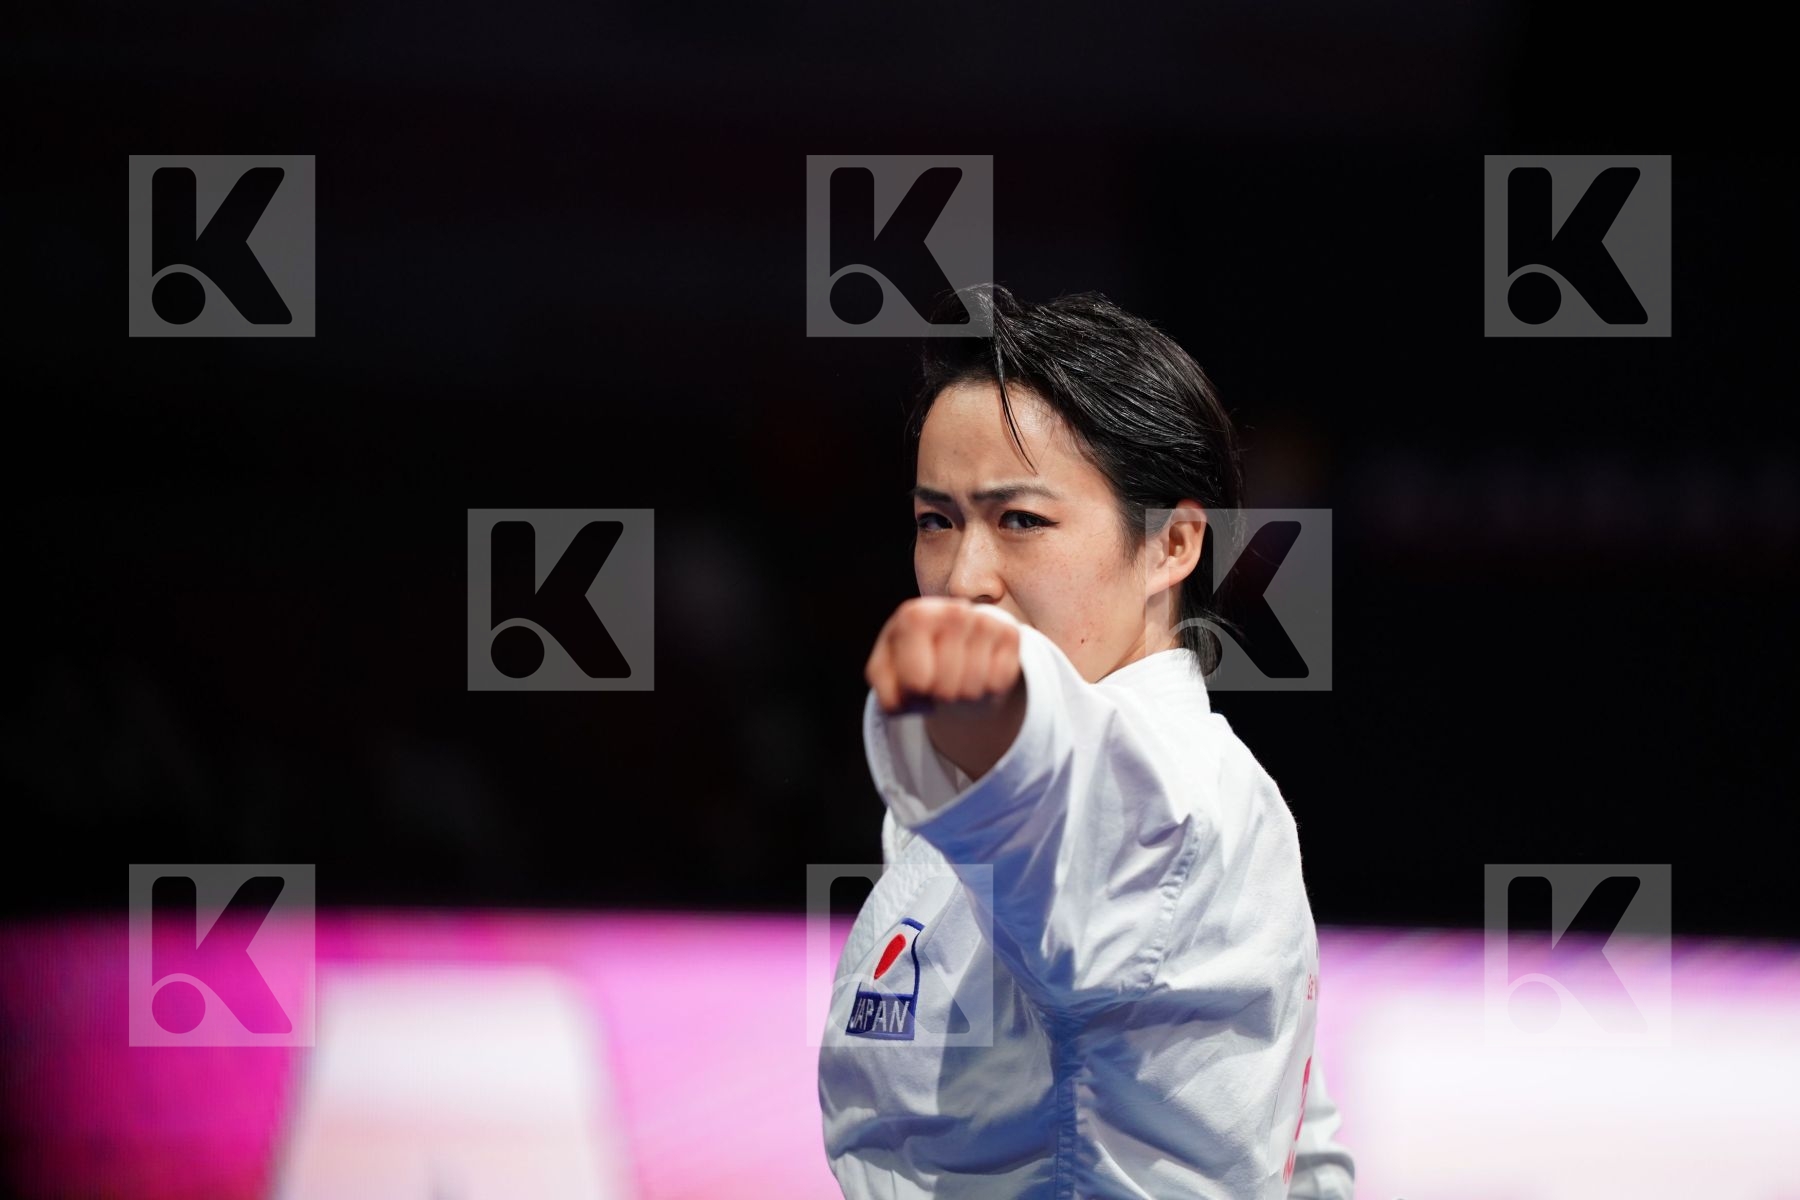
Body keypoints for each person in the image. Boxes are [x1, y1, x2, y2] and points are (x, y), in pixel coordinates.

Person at [816, 286, 1356, 1198]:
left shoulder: (1161, 787)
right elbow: (1305, 1155)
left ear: (1173, 544)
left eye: (1020, 521)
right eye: (935, 521)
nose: (963, 576)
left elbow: (1062, 774)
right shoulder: (1181, 786)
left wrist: (978, 700)